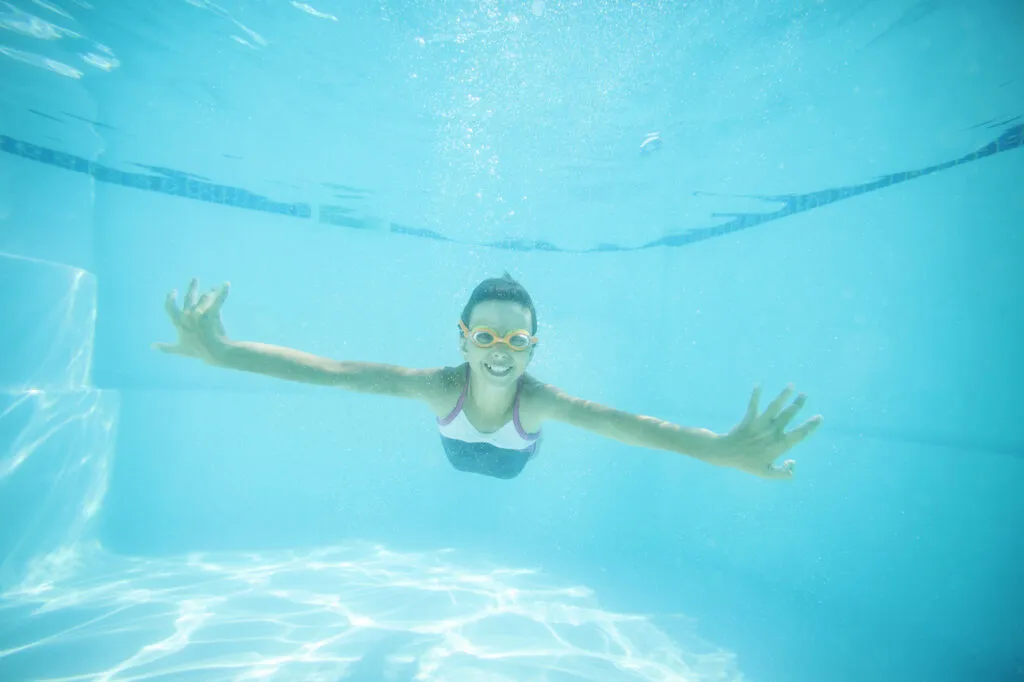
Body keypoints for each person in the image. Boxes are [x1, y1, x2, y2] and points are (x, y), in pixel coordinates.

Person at [155, 273, 822, 480]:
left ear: (532, 347)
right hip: (455, 447)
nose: (499, 349)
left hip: (512, 462)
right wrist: (225, 351)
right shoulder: (438, 385)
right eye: (486, 336)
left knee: (511, 458)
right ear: (463, 340)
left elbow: (631, 428)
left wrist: (721, 449)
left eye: (514, 338)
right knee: (462, 453)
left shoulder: (543, 398)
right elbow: (332, 372)